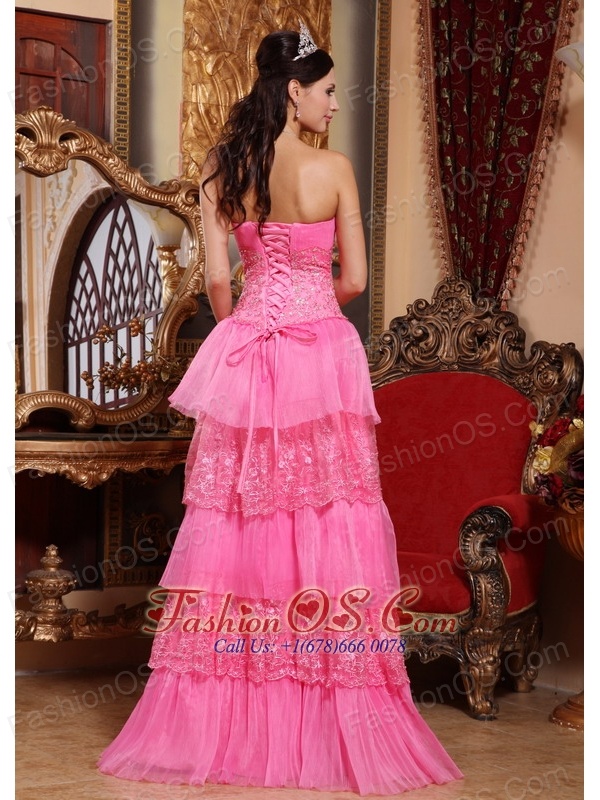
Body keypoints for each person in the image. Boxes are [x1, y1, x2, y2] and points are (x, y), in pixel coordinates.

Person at [98, 24, 463, 795]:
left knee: (238, 518)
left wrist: (255, 316)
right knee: (327, 513)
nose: (336, 103)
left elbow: (218, 284)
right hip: (319, 353)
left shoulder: (221, 167)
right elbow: (354, 281)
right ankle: (321, 714)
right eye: (327, 91)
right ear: (294, 91)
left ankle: (228, 719)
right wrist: (304, 303)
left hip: (250, 351)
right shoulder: (334, 169)